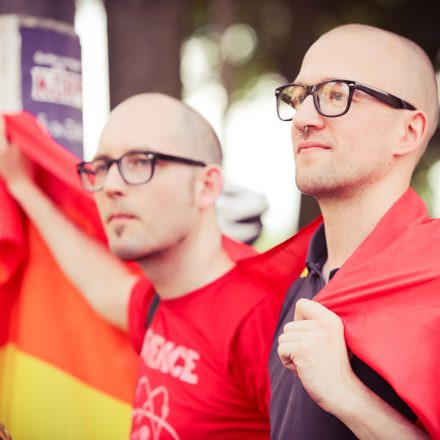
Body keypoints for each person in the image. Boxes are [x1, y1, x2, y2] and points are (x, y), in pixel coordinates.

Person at [0, 93, 284, 439]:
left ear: (206, 186)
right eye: (102, 167)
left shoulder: (262, 316)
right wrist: (22, 187)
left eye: (140, 162)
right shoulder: (157, 302)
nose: (112, 187)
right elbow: (102, 285)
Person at [268, 24, 439, 439]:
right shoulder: (301, 287)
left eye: (335, 95)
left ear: (408, 131)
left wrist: (347, 394)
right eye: (298, 96)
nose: (304, 119)